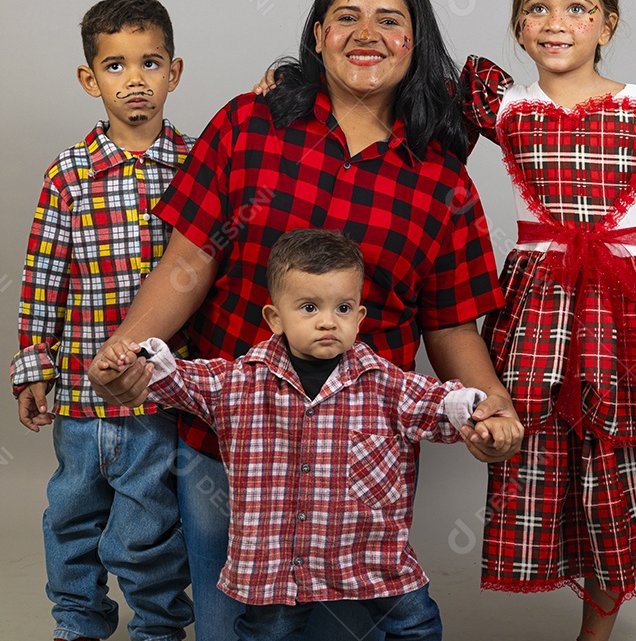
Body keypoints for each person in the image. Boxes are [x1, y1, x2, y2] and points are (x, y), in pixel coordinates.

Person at [89, 0, 524, 641]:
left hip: (361, 469)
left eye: (389, 20)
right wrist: (127, 349)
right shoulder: (248, 126)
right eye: (347, 16)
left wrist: (490, 405)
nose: (366, 32)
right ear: (319, 34)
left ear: (416, 42)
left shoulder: (442, 181)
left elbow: (450, 327)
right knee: (232, 631)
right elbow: (187, 263)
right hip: (229, 450)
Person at [459, 0, 636, 641]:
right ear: (518, 28)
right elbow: (395, 97)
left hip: (628, 308)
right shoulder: (504, 106)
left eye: (578, 9)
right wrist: (290, 81)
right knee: (544, 453)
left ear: (607, 24)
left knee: (615, 467)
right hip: (539, 307)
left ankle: (594, 635)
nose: (556, 22)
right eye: (537, 8)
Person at [102, 228, 491, 640]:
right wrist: (133, 356)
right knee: (267, 633)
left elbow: (437, 403)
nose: (328, 321)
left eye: (343, 308)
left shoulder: (385, 384)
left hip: (370, 554)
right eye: (309, 307)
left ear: (360, 317)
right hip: (275, 564)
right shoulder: (240, 382)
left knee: (415, 623)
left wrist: (479, 412)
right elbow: (177, 378)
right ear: (275, 318)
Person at [11, 0, 194, 641]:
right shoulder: (69, 174)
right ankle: (78, 621)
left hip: (159, 396)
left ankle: (159, 627)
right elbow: (43, 279)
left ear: (174, 72)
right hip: (80, 399)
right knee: (71, 517)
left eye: (150, 62)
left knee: (150, 527)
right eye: (116, 66)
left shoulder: (197, 166)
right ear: (90, 79)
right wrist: (34, 367)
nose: (135, 79)